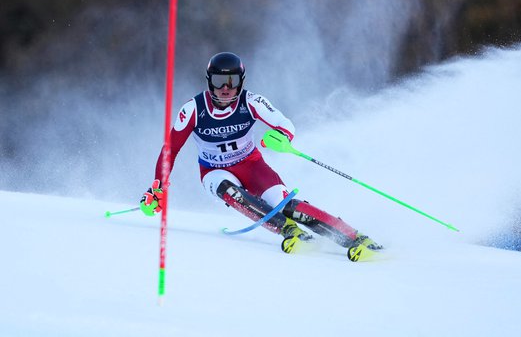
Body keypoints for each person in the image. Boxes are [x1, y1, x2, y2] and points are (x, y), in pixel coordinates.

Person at [140, 52, 382, 261]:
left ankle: (354, 237)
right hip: (214, 170)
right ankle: (290, 231)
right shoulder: (193, 109)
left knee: (285, 204)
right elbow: (170, 149)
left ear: (241, 82)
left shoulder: (251, 101)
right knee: (229, 189)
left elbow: (285, 124)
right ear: (209, 81)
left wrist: (281, 136)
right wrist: (158, 187)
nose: (225, 88)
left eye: (232, 81)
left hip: (252, 164)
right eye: (219, 81)